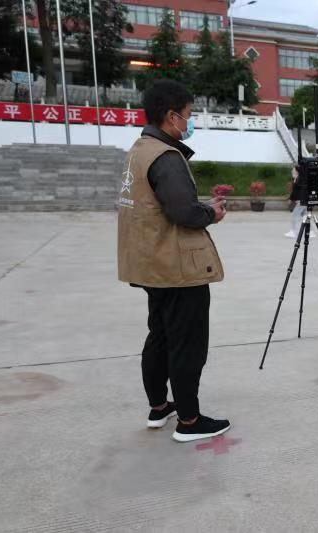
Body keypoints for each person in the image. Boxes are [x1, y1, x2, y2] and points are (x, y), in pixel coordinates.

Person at [117, 80, 231, 443]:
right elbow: (183, 212)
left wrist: (199, 208)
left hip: (151, 263)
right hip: (177, 267)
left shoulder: (139, 150)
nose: (189, 121)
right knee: (187, 343)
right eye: (188, 114)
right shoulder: (166, 157)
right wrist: (211, 213)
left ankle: (159, 407)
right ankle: (190, 421)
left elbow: (160, 205)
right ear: (171, 116)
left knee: (161, 336)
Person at [286, 166, 307, 238]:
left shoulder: (299, 180)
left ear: (297, 171)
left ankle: (293, 231)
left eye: (293, 170)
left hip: (301, 201)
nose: (292, 171)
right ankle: (310, 232)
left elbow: (296, 191)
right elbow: (295, 192)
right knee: (305, 216)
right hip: (303, 201)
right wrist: (291, 199)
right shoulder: (297, 179)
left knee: (294, 216)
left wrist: (291, 199)